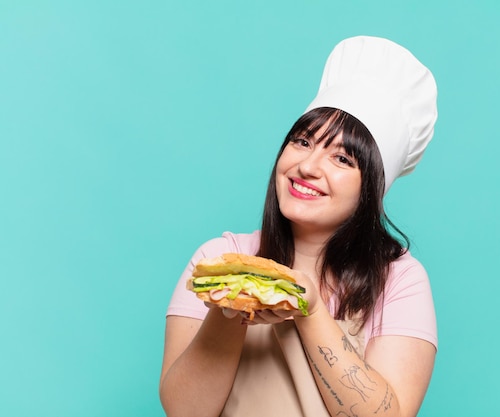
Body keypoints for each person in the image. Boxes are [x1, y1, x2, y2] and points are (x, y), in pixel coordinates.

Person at [159, 35, 439, 417]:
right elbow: (184, 411)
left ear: (371, 188)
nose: (308, 166)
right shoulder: (219, 259)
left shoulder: (399, 281)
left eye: (342, 158)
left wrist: (309, 309)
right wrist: (230, 307)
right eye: (303, 141)